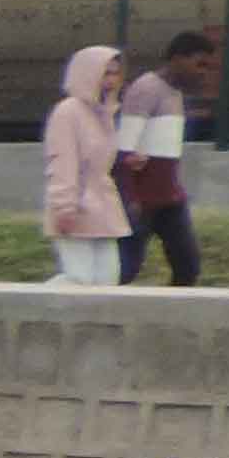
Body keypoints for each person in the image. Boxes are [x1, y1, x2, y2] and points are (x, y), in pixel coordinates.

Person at [119, 31, 214, 288]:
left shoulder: (176, 93)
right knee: (123, 271)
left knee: (188, 267)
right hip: (142, 201)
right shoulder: (145, 90)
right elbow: (125, 150)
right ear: (177, 59)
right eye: (199, 64)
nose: (203, 73)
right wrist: (131, 198)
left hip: (170, 199)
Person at [41, 44, 130, 289]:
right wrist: (64, 207)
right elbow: (63, 162)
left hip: (103, 206)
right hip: (76, 205)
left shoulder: (106, 114)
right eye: (105, 73)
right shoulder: (68, 112)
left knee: (107, 281)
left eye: (115, 73)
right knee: (79, 279)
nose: (111, 80)